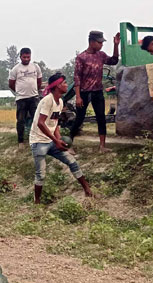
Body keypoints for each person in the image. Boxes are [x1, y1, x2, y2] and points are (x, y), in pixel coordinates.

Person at [30, 73, 93, 203]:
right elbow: (40, 123)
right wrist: (56, 141)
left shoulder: (60, 102)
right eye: (64, 83)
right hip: (38, 141)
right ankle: (37, 202)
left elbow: (55, 124)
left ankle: (88, 191)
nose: (66, 85)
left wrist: (59, 140)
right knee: (41, 174)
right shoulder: (48, 100)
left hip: (51, 140)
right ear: (57, 86)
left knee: (72, 161)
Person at [70, 30, 120, 153]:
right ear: (92, 42)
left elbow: (114, 61)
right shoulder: (81, 57)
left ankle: (102, 146)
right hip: (84, 93)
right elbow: (77, 78)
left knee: (101, 118)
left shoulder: (101, 55)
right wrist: (78, 96)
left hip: (97, 92)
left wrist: (115, 45)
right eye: (99, 42)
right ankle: (69, 144)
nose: (101, 45)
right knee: (80, 118)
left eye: (102, 42)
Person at [8, 48, 42, 149]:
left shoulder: (35, 67)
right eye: (24, 57)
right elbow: (11, 84)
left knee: (36, 119)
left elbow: (39, 81)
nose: (26, 59)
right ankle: (21, 141)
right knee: (21, 120)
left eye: (28, 57)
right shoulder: (15, 69)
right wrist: (20, 92)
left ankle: (37, 139)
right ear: (20, 57)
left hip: (33, 97)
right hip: (21, 99)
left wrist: (35, 90)